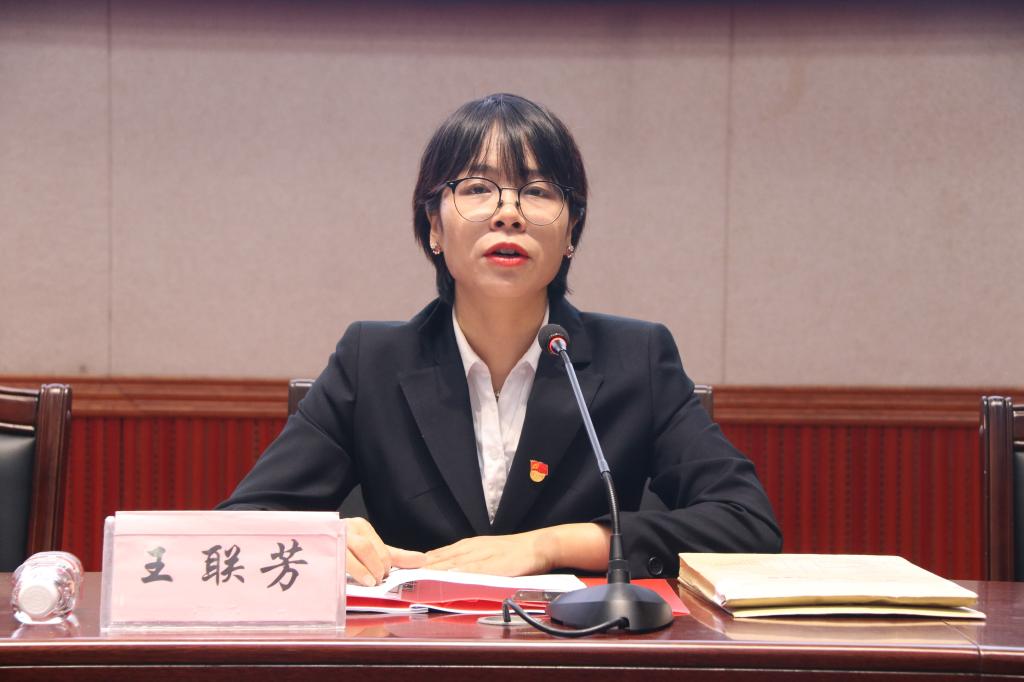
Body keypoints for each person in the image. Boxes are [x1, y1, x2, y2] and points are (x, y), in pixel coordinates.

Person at [218, 93, 781, 586]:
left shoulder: (637, 359)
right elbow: (240, 524)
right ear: (434, 227)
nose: (508, 213)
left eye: (537, 191)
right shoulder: (372, 362)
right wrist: (330, 538)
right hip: (414, 651)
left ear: (571, 233)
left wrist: (550, 546)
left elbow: (747, 524)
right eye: (478, 188)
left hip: (577, 651)